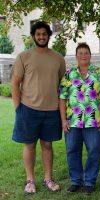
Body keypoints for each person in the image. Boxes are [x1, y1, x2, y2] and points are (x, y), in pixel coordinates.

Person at [11, 21, 66, 194]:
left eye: (44, 34)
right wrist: (17, 108)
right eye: (38, 34)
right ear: (34, 36)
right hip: (28, 109)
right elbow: (15, 83)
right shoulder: (23, 56)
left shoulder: (58, 58)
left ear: (49, 36)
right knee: (29, 145)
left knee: (47, 145)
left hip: (51, 110)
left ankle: (48, 179)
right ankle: (30, 181)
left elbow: (62, 86)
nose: (41, 37)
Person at [59, 43, 100, 195]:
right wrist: (63, 120)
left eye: (86, 52)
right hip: (73, 121)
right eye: (80, 52)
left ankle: (89, 182)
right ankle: (76, 181)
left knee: (94, 151)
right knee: (72, 151)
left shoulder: (98, 73)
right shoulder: (69, 74)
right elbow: (62, 98)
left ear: (90, 55)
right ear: (76, 56)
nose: (83, 55)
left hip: (94, 120)